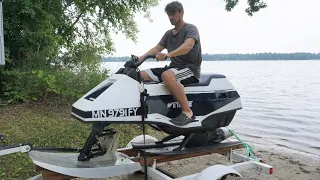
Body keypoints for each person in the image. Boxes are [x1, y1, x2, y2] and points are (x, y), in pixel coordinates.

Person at [136, 1, 202, 126]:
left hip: (190, 69)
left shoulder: (190, 29)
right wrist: (140, 59)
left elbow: (188, 46)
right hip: (173, 68)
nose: (171, 18)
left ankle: (188, 112)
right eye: (169, 15)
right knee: (138, 75)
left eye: (173, 14)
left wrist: (169, 54)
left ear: (181, 13)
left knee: (167, 76)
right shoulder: (168, 34)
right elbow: (157, 48)